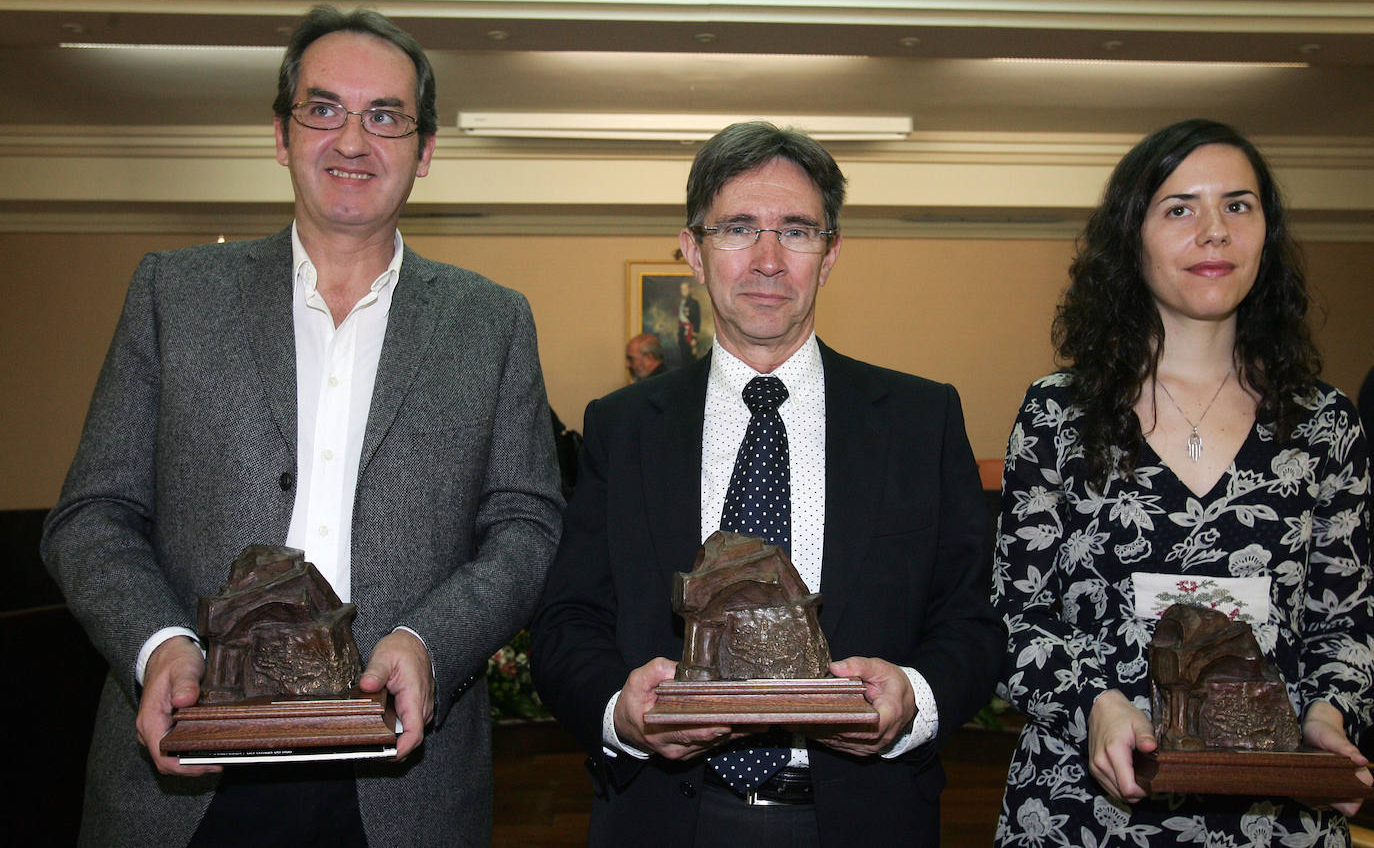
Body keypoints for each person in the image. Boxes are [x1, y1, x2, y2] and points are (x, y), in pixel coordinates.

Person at [40, 6, 562, 848]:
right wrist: (159, 645)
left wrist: (430, 643)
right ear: (281, 134)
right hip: (184, 776)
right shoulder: (173, 295)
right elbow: (92, 514)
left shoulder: (492, 323)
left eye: (384, 116)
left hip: (401, 783)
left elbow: (527, 529)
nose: (352, 141)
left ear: (423, 150)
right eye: (324, 109)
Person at [531, 121, 1003, 848]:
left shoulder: (921, 418)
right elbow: (568, 621)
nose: (769, 259)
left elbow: (970, 621)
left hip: (867, 817)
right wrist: (617, 712)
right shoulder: (621, 428)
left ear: (832, 252)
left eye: (797, 230)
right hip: (662, 817)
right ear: (692, 248)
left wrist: (918, 699)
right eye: (738, 228)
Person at [992, 118, 1373, 846]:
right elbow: (1017, 615)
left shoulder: (1325, 425)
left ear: (1267, 230)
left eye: (1238, 205)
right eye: (1179, 208)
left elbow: (1344, 621)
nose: (1214, 232)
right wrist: (1094, 704)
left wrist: (1329, 715)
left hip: (1276, 814)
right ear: (1132, 236)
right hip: (1084, 811)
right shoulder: (1059, 416)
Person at [677, 279, 702, 364]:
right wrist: (679, 334)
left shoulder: (694, 303)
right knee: (683, 359)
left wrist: (694, 338)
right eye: (682, 289)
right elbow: (680, 321)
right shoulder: (682, 303)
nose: (683, 291)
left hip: (690, 335)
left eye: (685, 289)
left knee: (691, 360)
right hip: (682, 334)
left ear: (690, 289)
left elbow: (697, 320)